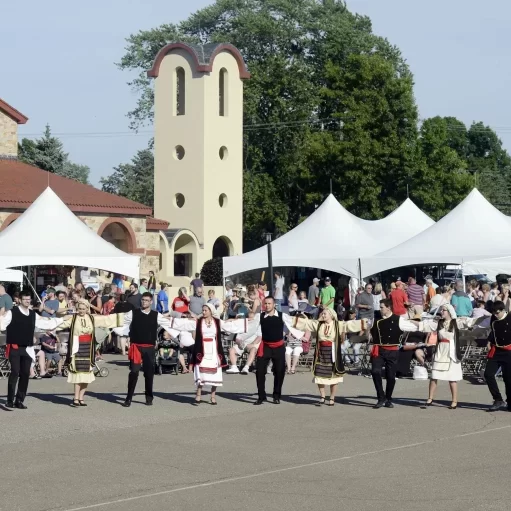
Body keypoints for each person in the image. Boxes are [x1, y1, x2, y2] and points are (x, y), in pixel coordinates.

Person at [167, 304, 257, 404]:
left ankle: (213, 396)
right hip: (202, 349)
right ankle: (198, 394)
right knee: (201, 372)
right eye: (203, 310)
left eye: (205, 310)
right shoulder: (199, 321)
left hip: (214, 349)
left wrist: (244, 322)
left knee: (215, 373)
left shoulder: (217, 322)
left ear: (211, 311)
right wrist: (169, 319)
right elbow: (184, 323)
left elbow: (230, 325)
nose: (203, 312)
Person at [114, 292, 182, 407]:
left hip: (149, 348)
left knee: (149, 373)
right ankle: (128, 398)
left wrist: (190, 321)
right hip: (136, 346)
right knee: (134, 372)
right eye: (143, 300)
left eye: (146, 300)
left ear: (151, 302)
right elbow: (119, 320)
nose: (144, 302)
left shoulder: (156, 315)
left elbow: (171, 323)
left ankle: (149, 397)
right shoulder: (133, 313)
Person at [0, 291, 63, 409]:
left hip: (28, 348)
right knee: (14, 372)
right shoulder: (11, 313)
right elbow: (2, 324)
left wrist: (61, 320)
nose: (27, 301)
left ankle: (19, 400)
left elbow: (44, 322)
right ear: (19, 300)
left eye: (29, 299)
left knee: (25, 374)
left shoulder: (33, 314)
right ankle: (9, 400)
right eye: (25, 299)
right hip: (14, 347)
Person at [293, 308, 365, 405]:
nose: (323, 315)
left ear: (331, 315)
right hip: (321, 352)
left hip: (332, 352)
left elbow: (349, 325)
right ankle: (322, 396)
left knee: (334, 376)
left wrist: (365, 322)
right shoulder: (318, 324)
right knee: (319, 375)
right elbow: (306, 323)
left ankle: (332, 398)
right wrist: (288, 319)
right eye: (322, 313)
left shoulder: (337, 324)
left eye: (325, 313)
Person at [58, 299, 119, 407]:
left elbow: (106, 320)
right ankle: (76, 397)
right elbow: (60, 324)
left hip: (88, 348)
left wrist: (126, 317)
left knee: (86, 375)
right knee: (77, 374)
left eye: (83, 309)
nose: (81, 311)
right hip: (77, 348)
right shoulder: (73, 318)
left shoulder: (91, 318)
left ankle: (82, 397)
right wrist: (48, 325)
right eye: (79, 309)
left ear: (87, 309)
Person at [369, 299, 423, 409]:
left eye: (382, 307)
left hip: (392, 350)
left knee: (390, 376)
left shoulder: (398, 320)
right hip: (378, 350)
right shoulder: (375, 318)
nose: (380, 309)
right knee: (375, 371)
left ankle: (388, 398)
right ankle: (381, 397)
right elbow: (367, 327)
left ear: (388, 308)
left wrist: (415, 321)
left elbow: (413, 327)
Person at [252, 297, 306, 405]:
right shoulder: (260, 316)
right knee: (260, 371)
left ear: (274, 305)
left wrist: (307, 328)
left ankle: (276, 396)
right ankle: (261, 396)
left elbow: (295, 322)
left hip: (279, 347)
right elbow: (249, 326)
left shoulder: (282, 316)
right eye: (265, 303)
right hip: (265, 346)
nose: (267, 305)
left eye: (269, 303)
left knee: (280, 372)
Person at [422, 305, 462, 410]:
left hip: (451, 352)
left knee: (452, 378)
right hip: (440, 351)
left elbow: (470, 322)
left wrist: (485, 318)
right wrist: (410, 322)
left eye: (443, 310)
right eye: (441, 310)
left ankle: (454, 401)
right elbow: (424, 326)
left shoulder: (455, 322)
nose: (441, 312)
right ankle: (430, 398)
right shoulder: (439, 323)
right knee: (434, 376)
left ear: (449, 312)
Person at [484, 300, 511, 412]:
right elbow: (493, 332)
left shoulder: (510, 318)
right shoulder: (493, 319)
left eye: (497, 312)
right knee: (488, 374)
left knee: (508, 379)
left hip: (509, 351)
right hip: (497, 350)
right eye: (494, 312)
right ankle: (498, 399)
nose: (495, 314)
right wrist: (489, 341)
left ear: (503, 310)